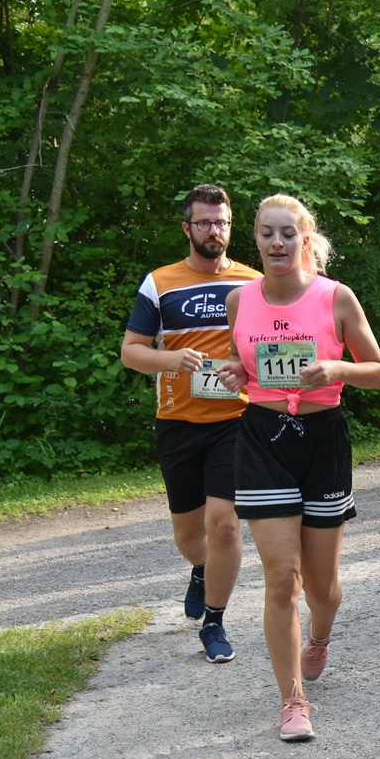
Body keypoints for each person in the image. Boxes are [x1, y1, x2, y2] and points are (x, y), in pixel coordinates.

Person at [215, 195, 380, 742]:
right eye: (266, 234)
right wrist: (234, 374)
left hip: (323, 438)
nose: (276, 243)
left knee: (322, 586)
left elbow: (378, 371)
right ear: (256, 240)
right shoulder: (240, 301)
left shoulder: (336, 297)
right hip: (262, 438)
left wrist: (335, 367)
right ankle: (293, 700)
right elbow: (243, 363)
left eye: (288, 233)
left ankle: (320, 634)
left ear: (305, 239)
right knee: (280, 579)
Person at [120, 184, 261, 664]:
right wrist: (171, 358)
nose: (213, 230)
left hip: (237, 420)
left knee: (224, 524)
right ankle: (201, 569)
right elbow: (131, 352)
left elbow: (271, 344)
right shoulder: (159, 282)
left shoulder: (253, 282)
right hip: (178, 421)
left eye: (221, 222)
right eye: (204, 222)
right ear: (187, 228)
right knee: (188, 532)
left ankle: (215, 622)